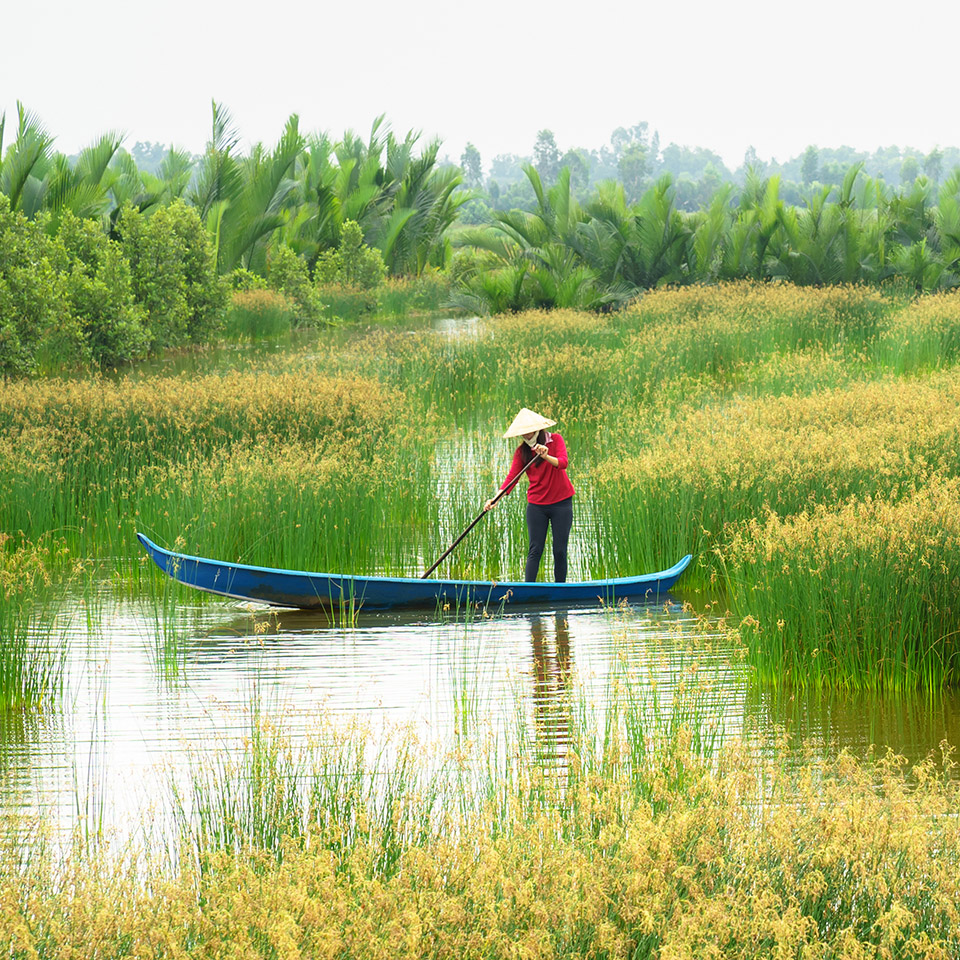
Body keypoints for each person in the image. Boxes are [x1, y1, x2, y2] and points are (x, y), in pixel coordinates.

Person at [484, 408, 575, 582]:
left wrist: (546, 455)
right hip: (537, 506)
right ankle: (528, 589)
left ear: (538, 428)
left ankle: (560, 590)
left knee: (560, 550)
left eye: (529, 431)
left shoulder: (555, 440)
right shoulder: (522, 452)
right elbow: (512, 478)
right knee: (535, 549)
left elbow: (563, 463)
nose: (526, 435)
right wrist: (495, 499)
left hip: (561, 503)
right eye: (523, 433)